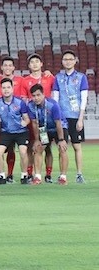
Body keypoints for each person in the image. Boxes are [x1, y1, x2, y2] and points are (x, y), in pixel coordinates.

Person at [0, 78, 33, 184]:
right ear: (1, 89)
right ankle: (2, 176)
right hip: (6, 132)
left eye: (8, 87)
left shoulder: (20, 103)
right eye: (3, 88)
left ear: (12, 89)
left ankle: (24, 175)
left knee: (23, 151)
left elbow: (27, 119)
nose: (6, 90)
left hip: (21, 132)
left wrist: (24, 123)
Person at [52, 50, 88, 184]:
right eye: (65, 59)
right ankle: (63, 175)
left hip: (75, 116)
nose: (68, 61)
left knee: (77, 146)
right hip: (62, 118)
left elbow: (84, 99)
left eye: (70, 59)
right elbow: (55, 99)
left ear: (75, 61)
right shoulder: (58, 78)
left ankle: (79, 174)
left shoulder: (81, 77)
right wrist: (56, 117)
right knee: (62, 146)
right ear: (62, 62)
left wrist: (81, 118)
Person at [27, 84, 69, 185]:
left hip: (59, 128)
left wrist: (61, 139)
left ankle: (63, 177)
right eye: (34, 96)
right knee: (38, 149)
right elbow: (34, 123)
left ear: (43, 94)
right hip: (44, 129)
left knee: (62, 149)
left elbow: (58, 123)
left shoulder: (53, 105)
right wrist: (37, 139)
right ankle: (37, 177)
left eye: (38, 95)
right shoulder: (30, 106)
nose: (36, 98)